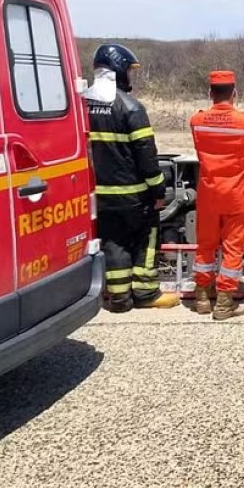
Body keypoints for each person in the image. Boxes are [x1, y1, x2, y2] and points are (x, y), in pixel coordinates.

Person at [85, 44, 179, 312]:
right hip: (133, 194)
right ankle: (146, 293)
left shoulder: (82, 105)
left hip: (99, 194)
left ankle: (118, 298)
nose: (131, 76)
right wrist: (159, 191)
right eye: (129, 70)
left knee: (113, 241)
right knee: (146, 238)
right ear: (118, 70)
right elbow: (146, 155)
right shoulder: (131, 107)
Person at [189, 71, 244, 320]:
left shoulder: (197, 121)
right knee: (233, 248)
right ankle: (224, 303)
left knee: (205, 246)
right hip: (237, 195)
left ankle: (202, 296)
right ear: (234, 93)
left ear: (210, 93)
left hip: (209, 194)